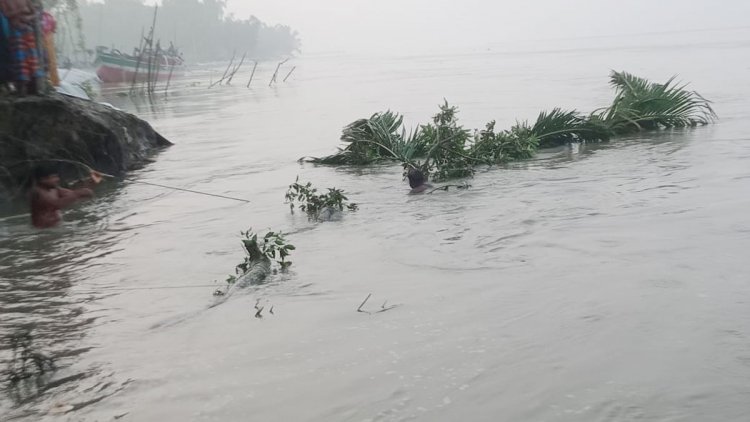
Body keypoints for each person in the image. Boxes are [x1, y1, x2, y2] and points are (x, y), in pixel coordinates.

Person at [30, 165, 94, 229]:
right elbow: (56, 205)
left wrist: (86, 187)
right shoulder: (38, 192)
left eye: (57, 176)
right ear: (42, 179)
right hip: (43, 230)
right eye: (53, 177)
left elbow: (70, 193)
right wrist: (78, 193)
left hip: (56, 226)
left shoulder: (54, 188)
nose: (57, 179)